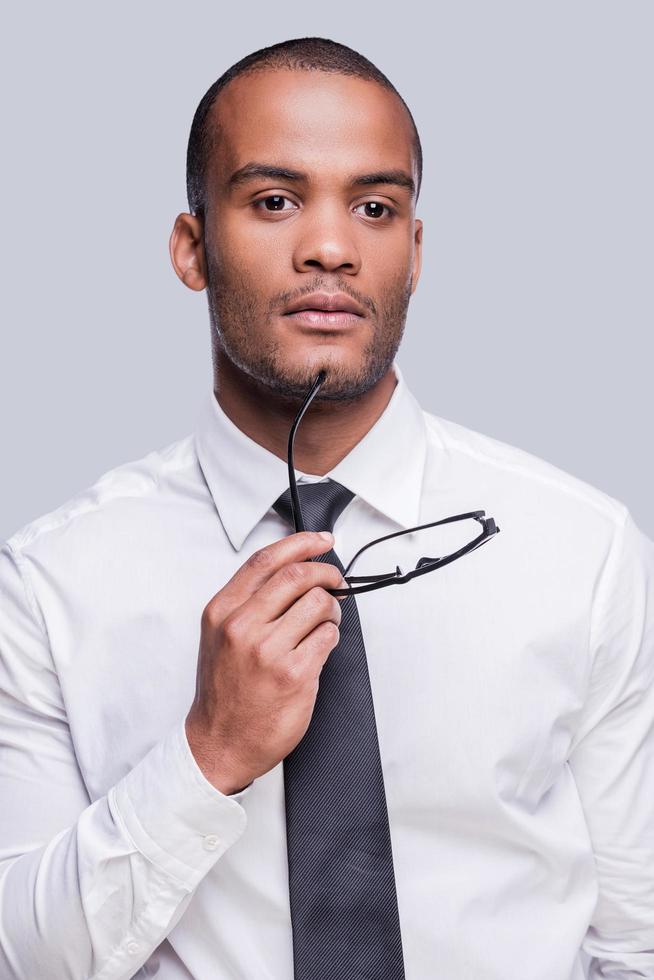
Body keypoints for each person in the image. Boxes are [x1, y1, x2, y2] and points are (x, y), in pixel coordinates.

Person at [0, 34, 652, 980]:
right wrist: (206, 754)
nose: (332, 248)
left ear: (416, 251)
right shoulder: (50, 584)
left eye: (376, 207)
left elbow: (636, 944)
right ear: (192, 247)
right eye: (274, 201)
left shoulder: (584, 554)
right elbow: (21, 958)